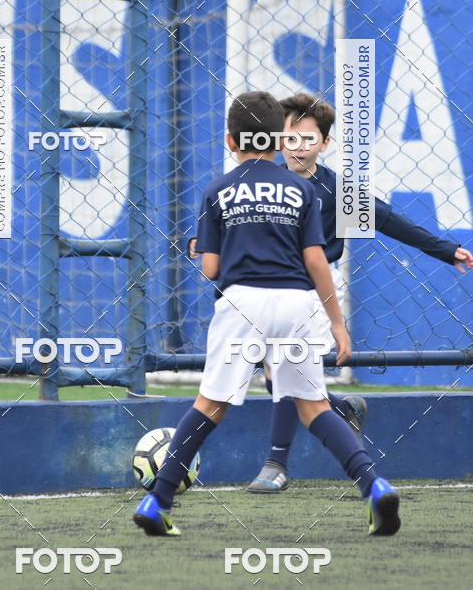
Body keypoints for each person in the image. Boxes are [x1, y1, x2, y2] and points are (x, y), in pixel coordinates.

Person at [133, 91, 400, 537]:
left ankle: (157, 501)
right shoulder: (301, 189)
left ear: (229, 141)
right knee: (314, 406)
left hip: (242, 304)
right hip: (296, 304)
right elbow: (316, 260)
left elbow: (211, 268)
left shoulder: (217, 190)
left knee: (210, 404)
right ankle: (374, 485)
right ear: (279, 140)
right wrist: (336, 323)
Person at [190, 92, 473, 492]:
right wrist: (200, 242)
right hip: (264, 294)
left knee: (280, 370)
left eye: (309, 139)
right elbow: (232, 229)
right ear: (275, 139)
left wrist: (445, 249)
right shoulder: (255, 184)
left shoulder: (337, 194)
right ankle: (342, 409)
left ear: (324, 144)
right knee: (279, 377)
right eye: (291, 138)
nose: (299, 147)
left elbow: (389, 219)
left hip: (312, 294)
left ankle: (276, 464)